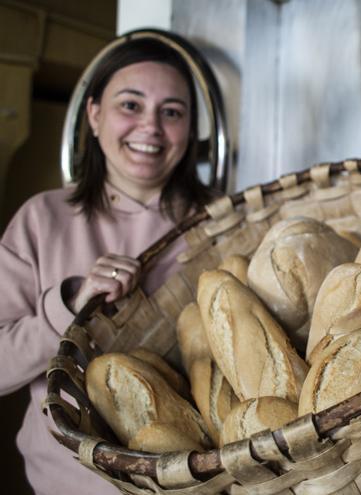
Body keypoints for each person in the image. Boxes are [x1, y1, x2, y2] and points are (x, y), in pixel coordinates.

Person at [0, 38, 215, 494]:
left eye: (172, 112)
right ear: (94, 115)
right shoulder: (43, 219)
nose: (151, 127)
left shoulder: (223, 224)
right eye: (131, 105)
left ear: (191, 128)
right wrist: (69, 305)